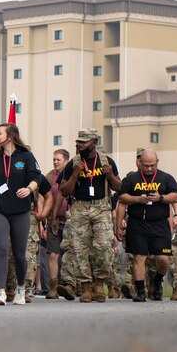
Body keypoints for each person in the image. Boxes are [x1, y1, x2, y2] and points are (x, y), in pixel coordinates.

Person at [0, 123, 46, 306]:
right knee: (1, 248)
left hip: (21, 211)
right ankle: (1, 292)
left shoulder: (26, 157)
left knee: (19, 254)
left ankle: (20, 288)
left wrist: (29, 188)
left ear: (9, 136)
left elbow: (36, 177)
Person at [58, 128, 121, 304]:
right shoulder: (73, 163)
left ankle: (99, 284)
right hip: (79, 206)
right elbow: (64, 190)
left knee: (103, 247)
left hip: (101, 207)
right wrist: (75, 175)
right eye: (78, 141)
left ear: (93, 142)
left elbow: (119, 187)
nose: (79, 144)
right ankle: (85, 286)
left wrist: (109, 175)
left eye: (83, 142)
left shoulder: (107, 161)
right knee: (79, 249)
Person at [116, 149, 177, 302]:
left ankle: (157, 280)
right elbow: (122, 197)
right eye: (146, 165)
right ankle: (140, 292)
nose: (149, 168)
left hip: (160, 224)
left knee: (163, 259)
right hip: (137, 224)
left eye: (152, 165)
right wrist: (138, 199)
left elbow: (176, 196)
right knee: (139, 257)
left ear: (157, 162)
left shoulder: (166, 178)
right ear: (140, 163)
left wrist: (161, 198)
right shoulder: (132, 179)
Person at [45, 149, 70, 299]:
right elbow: (43, 197)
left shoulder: (73, 175)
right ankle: (53, 288)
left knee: (69, 256)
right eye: (54, 159)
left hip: (70, 221)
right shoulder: (49, 177)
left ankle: (68, 285)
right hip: (53, 221)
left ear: (66, 161)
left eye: (58, 160)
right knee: (53, 255)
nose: (55, 162)